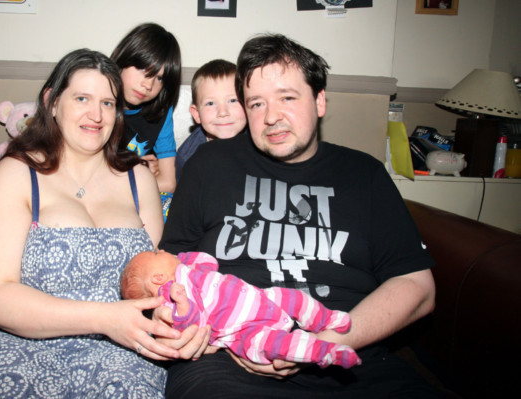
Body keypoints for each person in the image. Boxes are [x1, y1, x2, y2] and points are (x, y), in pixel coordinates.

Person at [160, 34, 438, 398]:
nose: (271, 116)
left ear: (320, 100)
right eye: (256, 104)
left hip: (348, 357)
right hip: (231, 360)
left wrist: (320, 343)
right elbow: (167, 270)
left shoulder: (363, 174)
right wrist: (205, 333)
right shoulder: (208, 166)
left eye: (287, 98)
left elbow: (417, 288)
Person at [0, 49, 186, 398]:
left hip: (120, 351)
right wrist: (104, 318)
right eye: (82, 98)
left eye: (107, 103)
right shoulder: (16, 174)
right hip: (14, 346)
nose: (96, 114)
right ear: (52, 101)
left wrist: (175, 316)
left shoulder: (139, 179)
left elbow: (156, 279)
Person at [121, 250, 361, 368]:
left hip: (260, 299)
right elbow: (190, 323)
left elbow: (209, 261)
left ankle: (327, 319)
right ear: (158, 278)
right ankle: (326, 352)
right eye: (156, 253)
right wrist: (182, 304)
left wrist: (183, 257)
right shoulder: (169, 297)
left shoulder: (189, 269)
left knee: (293, 298)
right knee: (276, 346)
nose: (162, 250)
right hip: (242, 330)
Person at [111, 22, 181, 202]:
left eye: (159, 78)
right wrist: (136, 172)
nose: (148, 85)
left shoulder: (162, 112)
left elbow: (168, 182)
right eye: (143, 69)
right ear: (123, 59)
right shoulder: (98, 106)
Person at [175, 59, 248, 181]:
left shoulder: (260, 143)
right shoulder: (187, 157)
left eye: (233, 100)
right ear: (197, 114)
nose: (223, 112)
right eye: (210, 103)